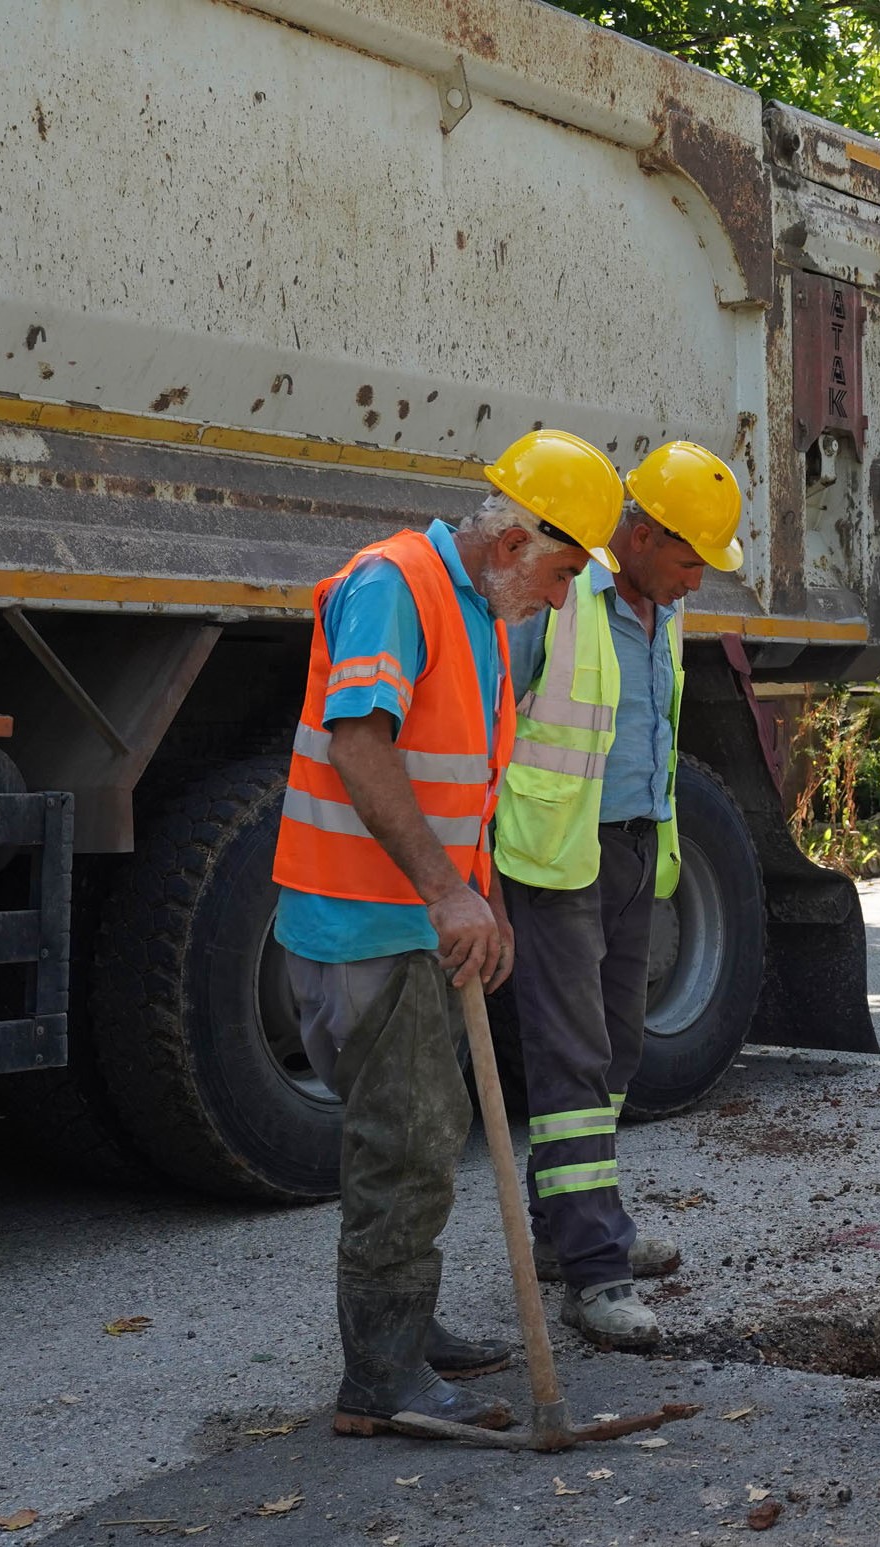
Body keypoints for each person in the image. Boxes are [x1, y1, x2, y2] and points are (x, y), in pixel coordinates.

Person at [271, 429, 624, 1437]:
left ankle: (407, 1328)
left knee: (425, 1132)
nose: (563, 598)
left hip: (412, 920)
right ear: (514, 540)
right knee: (406, 1145)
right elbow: (359, 744)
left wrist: (484, 898)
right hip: (362, 923)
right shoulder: (394, 583)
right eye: (561, 571)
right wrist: (445, 893)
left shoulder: (473, 611)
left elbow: (459, 780)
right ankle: (379, 1378)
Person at [497, 439, 744, 1352]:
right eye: (688, 558)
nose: (696, 580)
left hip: (636, 849)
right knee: (571, 1059)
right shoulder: (561, 598)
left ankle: (574, 1227)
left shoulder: (661, 612)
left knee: (614, 1050)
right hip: (559, 854)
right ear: (638, 535)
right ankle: (594, 1272)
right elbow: (495, 720)